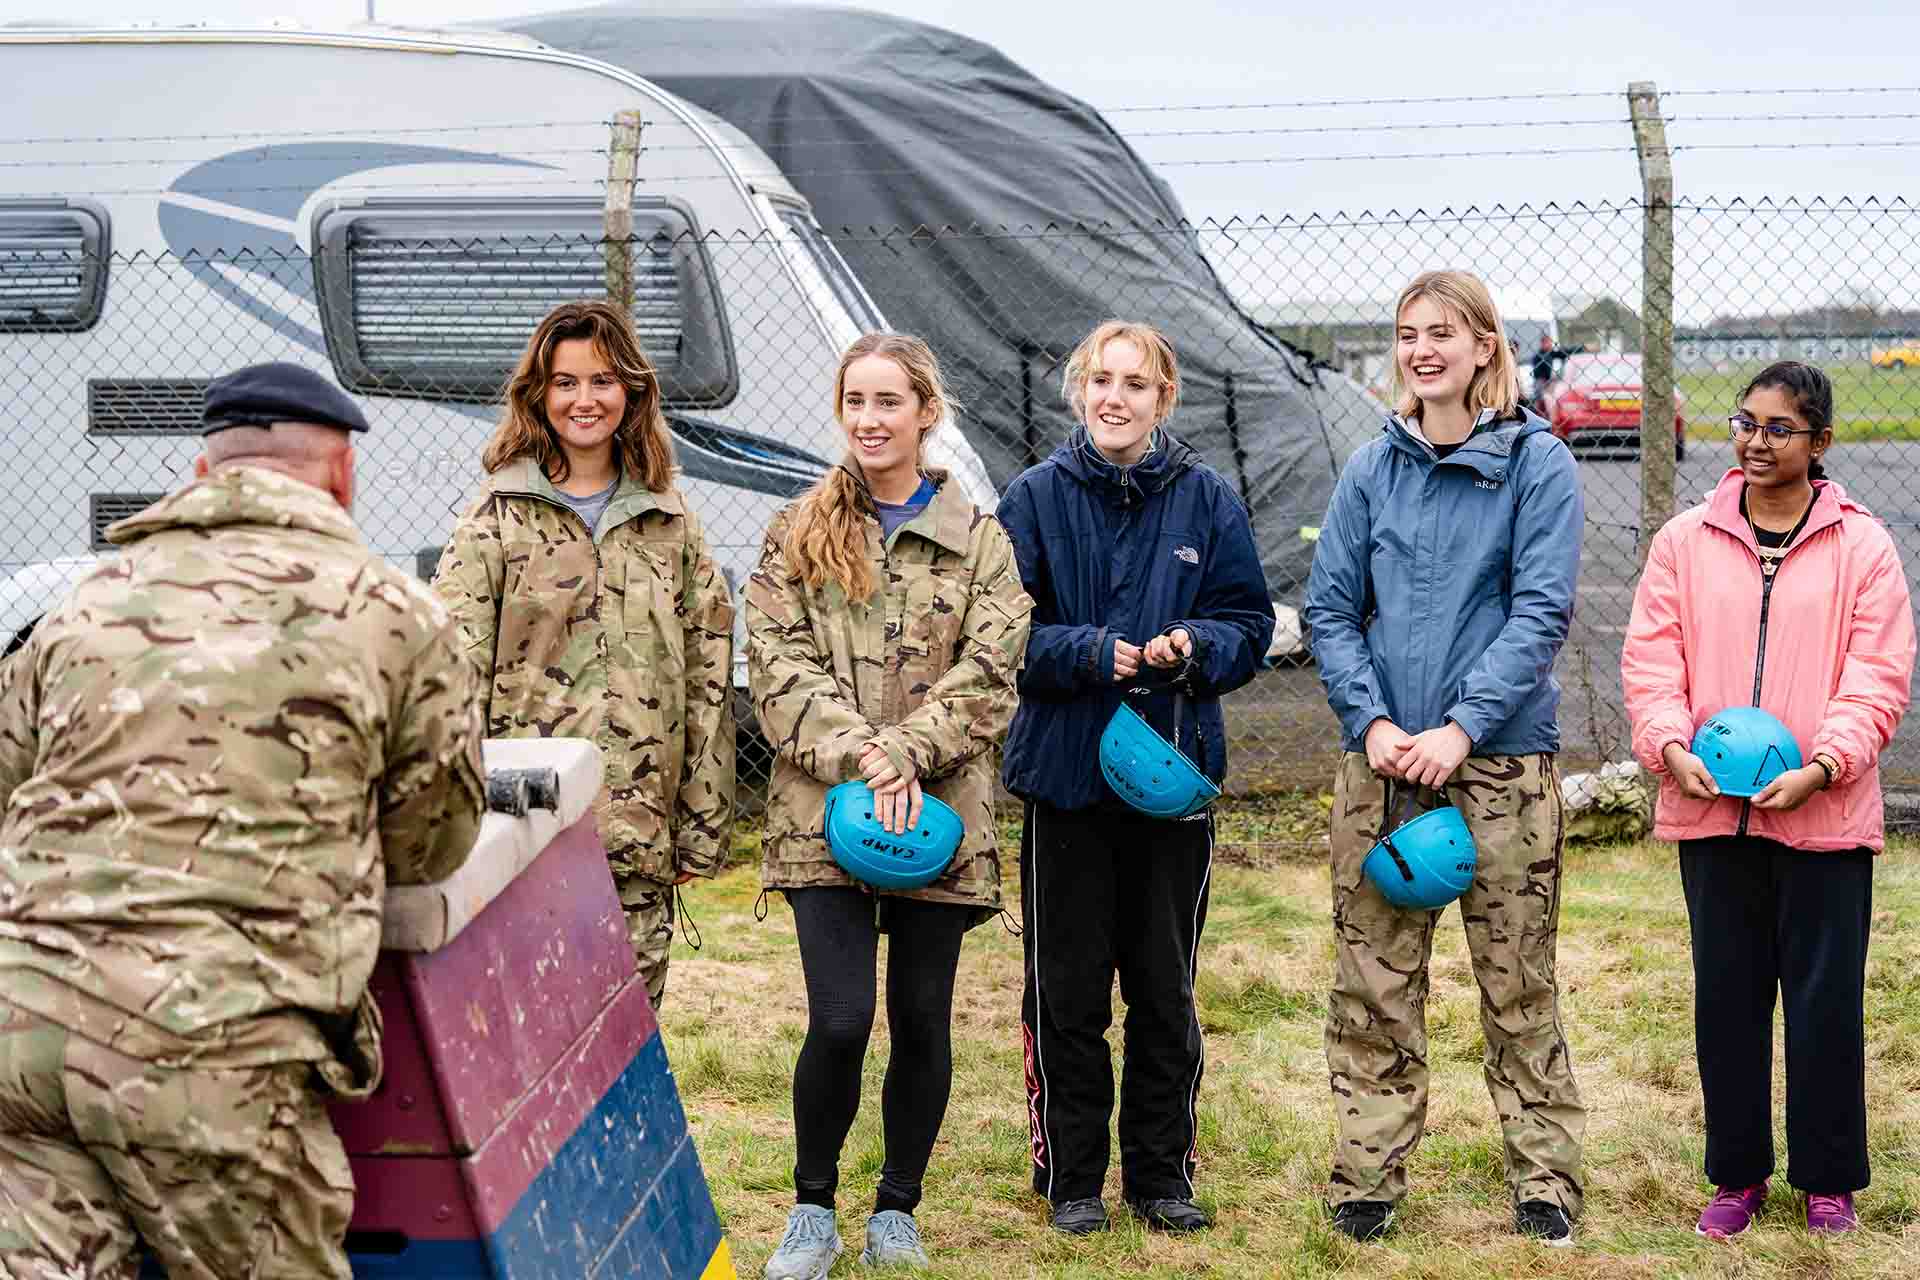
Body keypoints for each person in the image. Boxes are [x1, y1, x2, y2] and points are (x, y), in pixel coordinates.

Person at [0, 362, 487, 1279]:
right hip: (201, 1042)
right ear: (342, 474)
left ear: (199, 474)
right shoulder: (392, 613)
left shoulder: (84, 604)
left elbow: (7, 785)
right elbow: (433, 840)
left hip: (18, 1031)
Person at [1304, 270, 1587, 1246]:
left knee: (1516, 977)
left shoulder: (1537, 463)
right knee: (1375, 979)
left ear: (1483, 346)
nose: (1423, 349)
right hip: (1380, 762)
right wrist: (1373, 722)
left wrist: (1462, 725)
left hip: (1499, 762)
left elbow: (1540, 610)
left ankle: (1545, 1175)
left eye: (1443, 332)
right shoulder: (1371, 468)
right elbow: (1332, 608)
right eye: (1408, 333)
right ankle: (1369, 1173)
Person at [746, 332, 1032, 1278]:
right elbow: (776, 668)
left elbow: (993, 672)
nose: (870, 420)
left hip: (938, 816)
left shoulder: (981, 541)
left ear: (925, 413)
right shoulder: (795, 532)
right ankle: (812, 1209)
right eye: (855, 402)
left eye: (888, 403)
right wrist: (862, 755)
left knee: (922, 1019)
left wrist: (906, 751)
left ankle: (897, 1208)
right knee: (838, 1019)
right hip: (820, 811)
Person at [1621, 361, 1914, 1239]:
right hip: (1713, 813)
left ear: (1820, 443)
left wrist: (1825, 766)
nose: (1755, 440)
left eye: (1779, 428)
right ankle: (1737, 1175)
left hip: (1823, 814)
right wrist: (1671, 747)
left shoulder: (1865, 548)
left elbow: (1878, 678)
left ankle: (1828, 1179)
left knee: (1826, 1005)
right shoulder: (1684, 540)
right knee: (1728, 1000)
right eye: (1745, 422)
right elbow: (1651, 660)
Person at [997, 320, 1274, 1237]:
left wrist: (1197, 647)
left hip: (1171, 779)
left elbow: (1248, 622)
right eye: (1100, 381)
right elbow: (1001, 636)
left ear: (1164, 398)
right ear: (1079, 391)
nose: (1115, 398)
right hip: (1066, 781)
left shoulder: (1207, 502)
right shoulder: (1033, 498)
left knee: (1165, 989)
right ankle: (1072, 1177)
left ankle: (1161, 1176)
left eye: (1135, 384)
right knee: (1066, 991)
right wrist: (1092, 653)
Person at [433, 299, 735, 1009]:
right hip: (525, 824)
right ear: (538, 394)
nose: (584, 400)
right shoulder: (497, 514)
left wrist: (701, 816)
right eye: (566, 383)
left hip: (637, 819)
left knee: (630, 1029)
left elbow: (708, 671)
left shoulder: (671, 518)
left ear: (631, 391)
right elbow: (451, 668)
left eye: (601, 381)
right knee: (531, 1028)